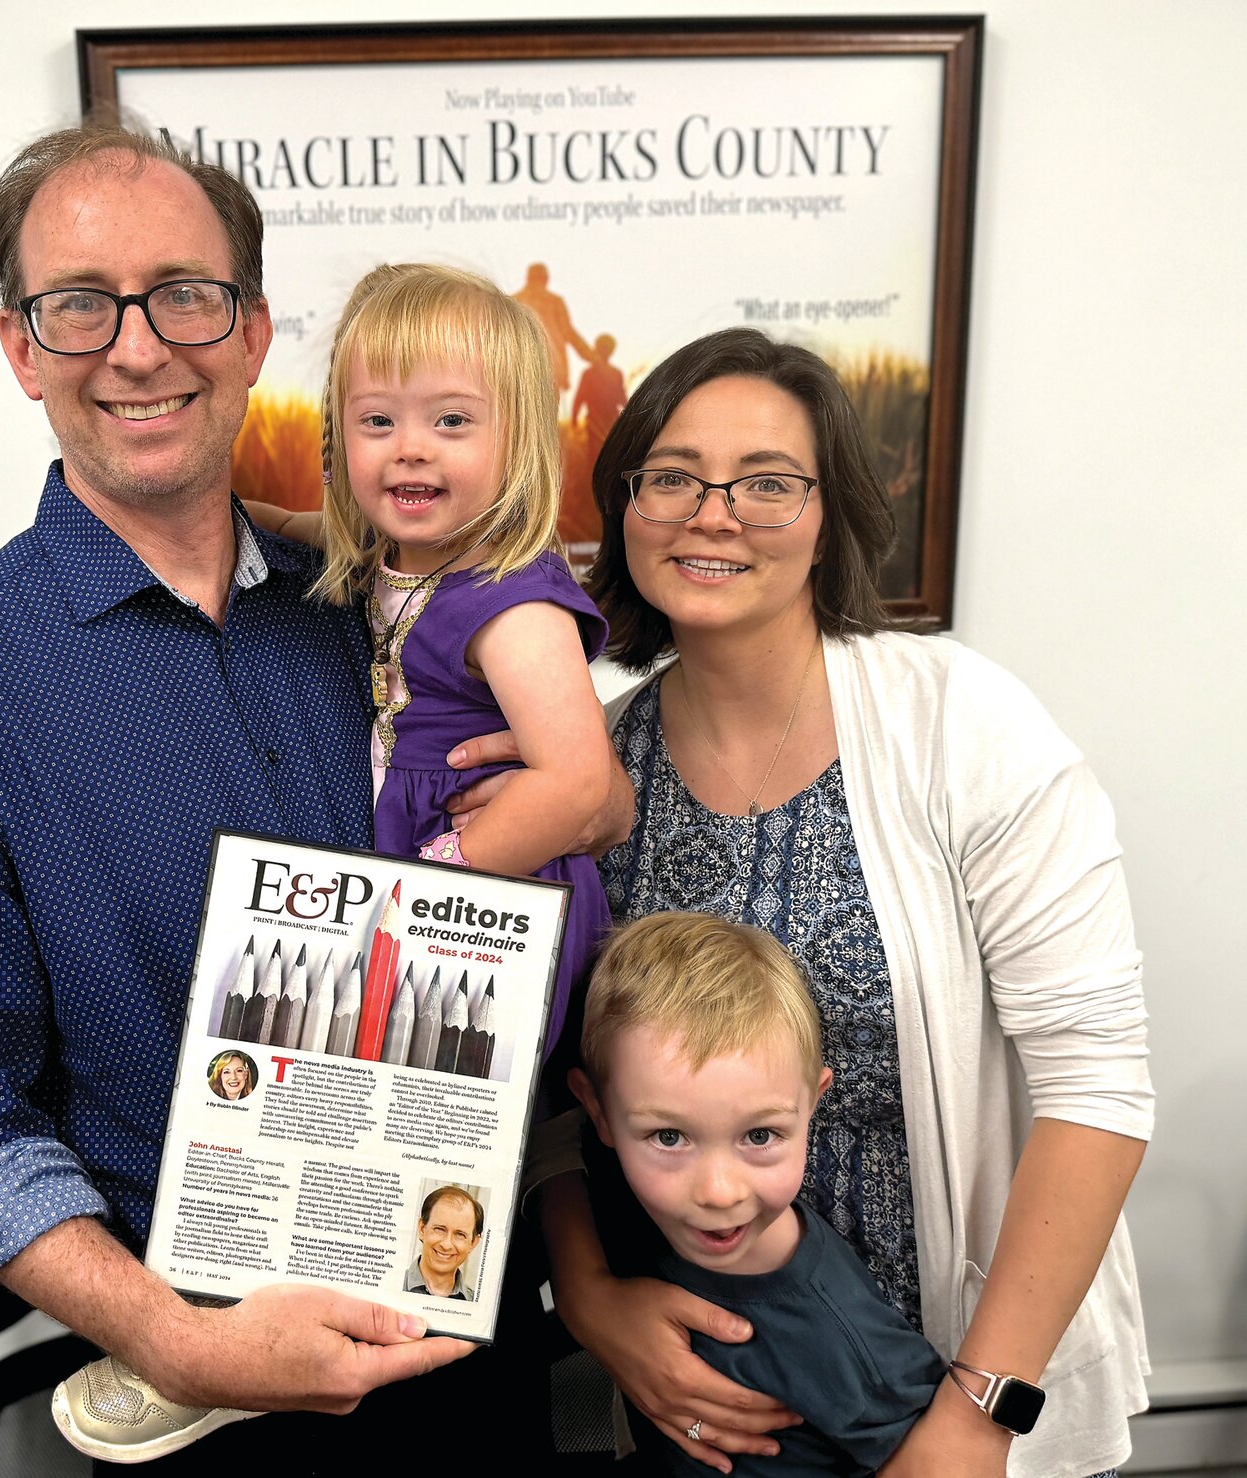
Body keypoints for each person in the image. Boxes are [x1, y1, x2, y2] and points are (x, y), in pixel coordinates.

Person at [0, 121, 619, 1473]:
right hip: (200, 1379)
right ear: (21, 348)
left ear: (253, 331)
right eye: (79, 306)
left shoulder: (381, 610)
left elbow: (570, 834)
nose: (138, 348)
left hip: (470, 1334)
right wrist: (172, 1340)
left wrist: (590, 801)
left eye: (184, 295)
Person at [538, 327, 1152, 1478]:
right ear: (625, 505)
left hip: (958, 1381)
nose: (713, 514)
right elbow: (552, 1090)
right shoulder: (585, 771)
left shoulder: (965, 727)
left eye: (769, 482)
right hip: (713, 1412)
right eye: (671, 476)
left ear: (832, 516)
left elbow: (1097, 1085)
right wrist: (592, 1296)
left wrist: (973, 1416)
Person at [265, 261, 615, 1059]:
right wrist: (237, 517)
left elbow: (577, 782)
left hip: (494, 893)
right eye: (377, 422)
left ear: (516, 438)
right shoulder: (395, 556)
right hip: (419, 876)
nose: (410, 449)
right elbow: (303, 527)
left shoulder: (513, 603)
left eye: (451, 422)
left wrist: (437, 878)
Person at [570, 912, 946, 1474]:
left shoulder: (848, 1346)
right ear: (598, 1113)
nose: (719, 1193)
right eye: (669, 1137)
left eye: (759, 1135)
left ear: (812, 1102)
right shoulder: (625, 1215)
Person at [513, 261, 593, 403]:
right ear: (546, 279)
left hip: (520, 368)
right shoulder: (555, 301)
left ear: (528, 278)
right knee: (548, 415)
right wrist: (590, 356)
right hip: (552, 369)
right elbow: (568, 332)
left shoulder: (514, 300)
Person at [404, 1186, 485, 1299]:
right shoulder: (387, 1286)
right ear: (422, 1229)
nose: (446, 1245)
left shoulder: (479, 1305)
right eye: (439, 1229)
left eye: (460, 1235)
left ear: (473, 1243)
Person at [571, 333, 629, 465]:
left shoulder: (592, 373)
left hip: (601, 421)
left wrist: (574, 418)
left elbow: (580, 397)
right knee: (606, 456)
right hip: (602, 421)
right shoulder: (614, 373)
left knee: (598, 458)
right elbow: (622, 398)